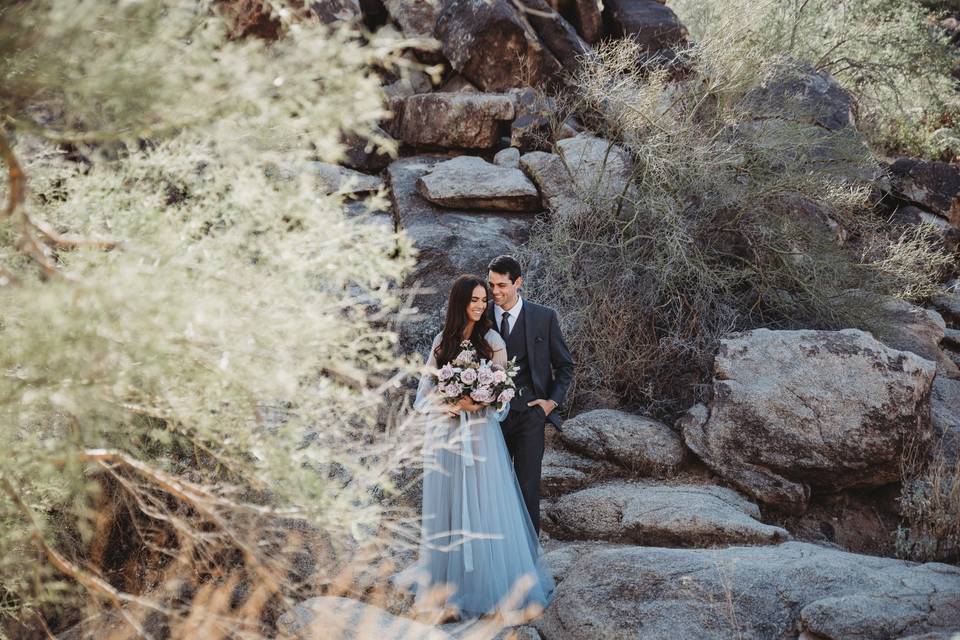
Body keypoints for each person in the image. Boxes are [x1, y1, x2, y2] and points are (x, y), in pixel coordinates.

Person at [406, 274, 555, 622]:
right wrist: (452, 405)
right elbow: (424, 392)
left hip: (480, 435)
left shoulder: (492, 340)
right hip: (446, 433)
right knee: (448, 506)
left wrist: (479, 402)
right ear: (460, 302)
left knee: (482, 503)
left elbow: (503, 396)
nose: (479, 305)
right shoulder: (442, 340)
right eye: (473, 299)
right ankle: (446, 591)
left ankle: (486, 587)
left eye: (482, 299)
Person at [487, 255, 574, 535]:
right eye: (491, 285)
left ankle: (529, 560)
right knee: (492, 489)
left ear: (518, 283)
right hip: (489, 419)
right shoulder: (481, 316)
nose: (496, 292)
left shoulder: (543, 317)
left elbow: (565, 367)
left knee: (528, 490)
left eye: (502, 285)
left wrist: (549, 404)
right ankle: (498, 555)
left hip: (530, 417)